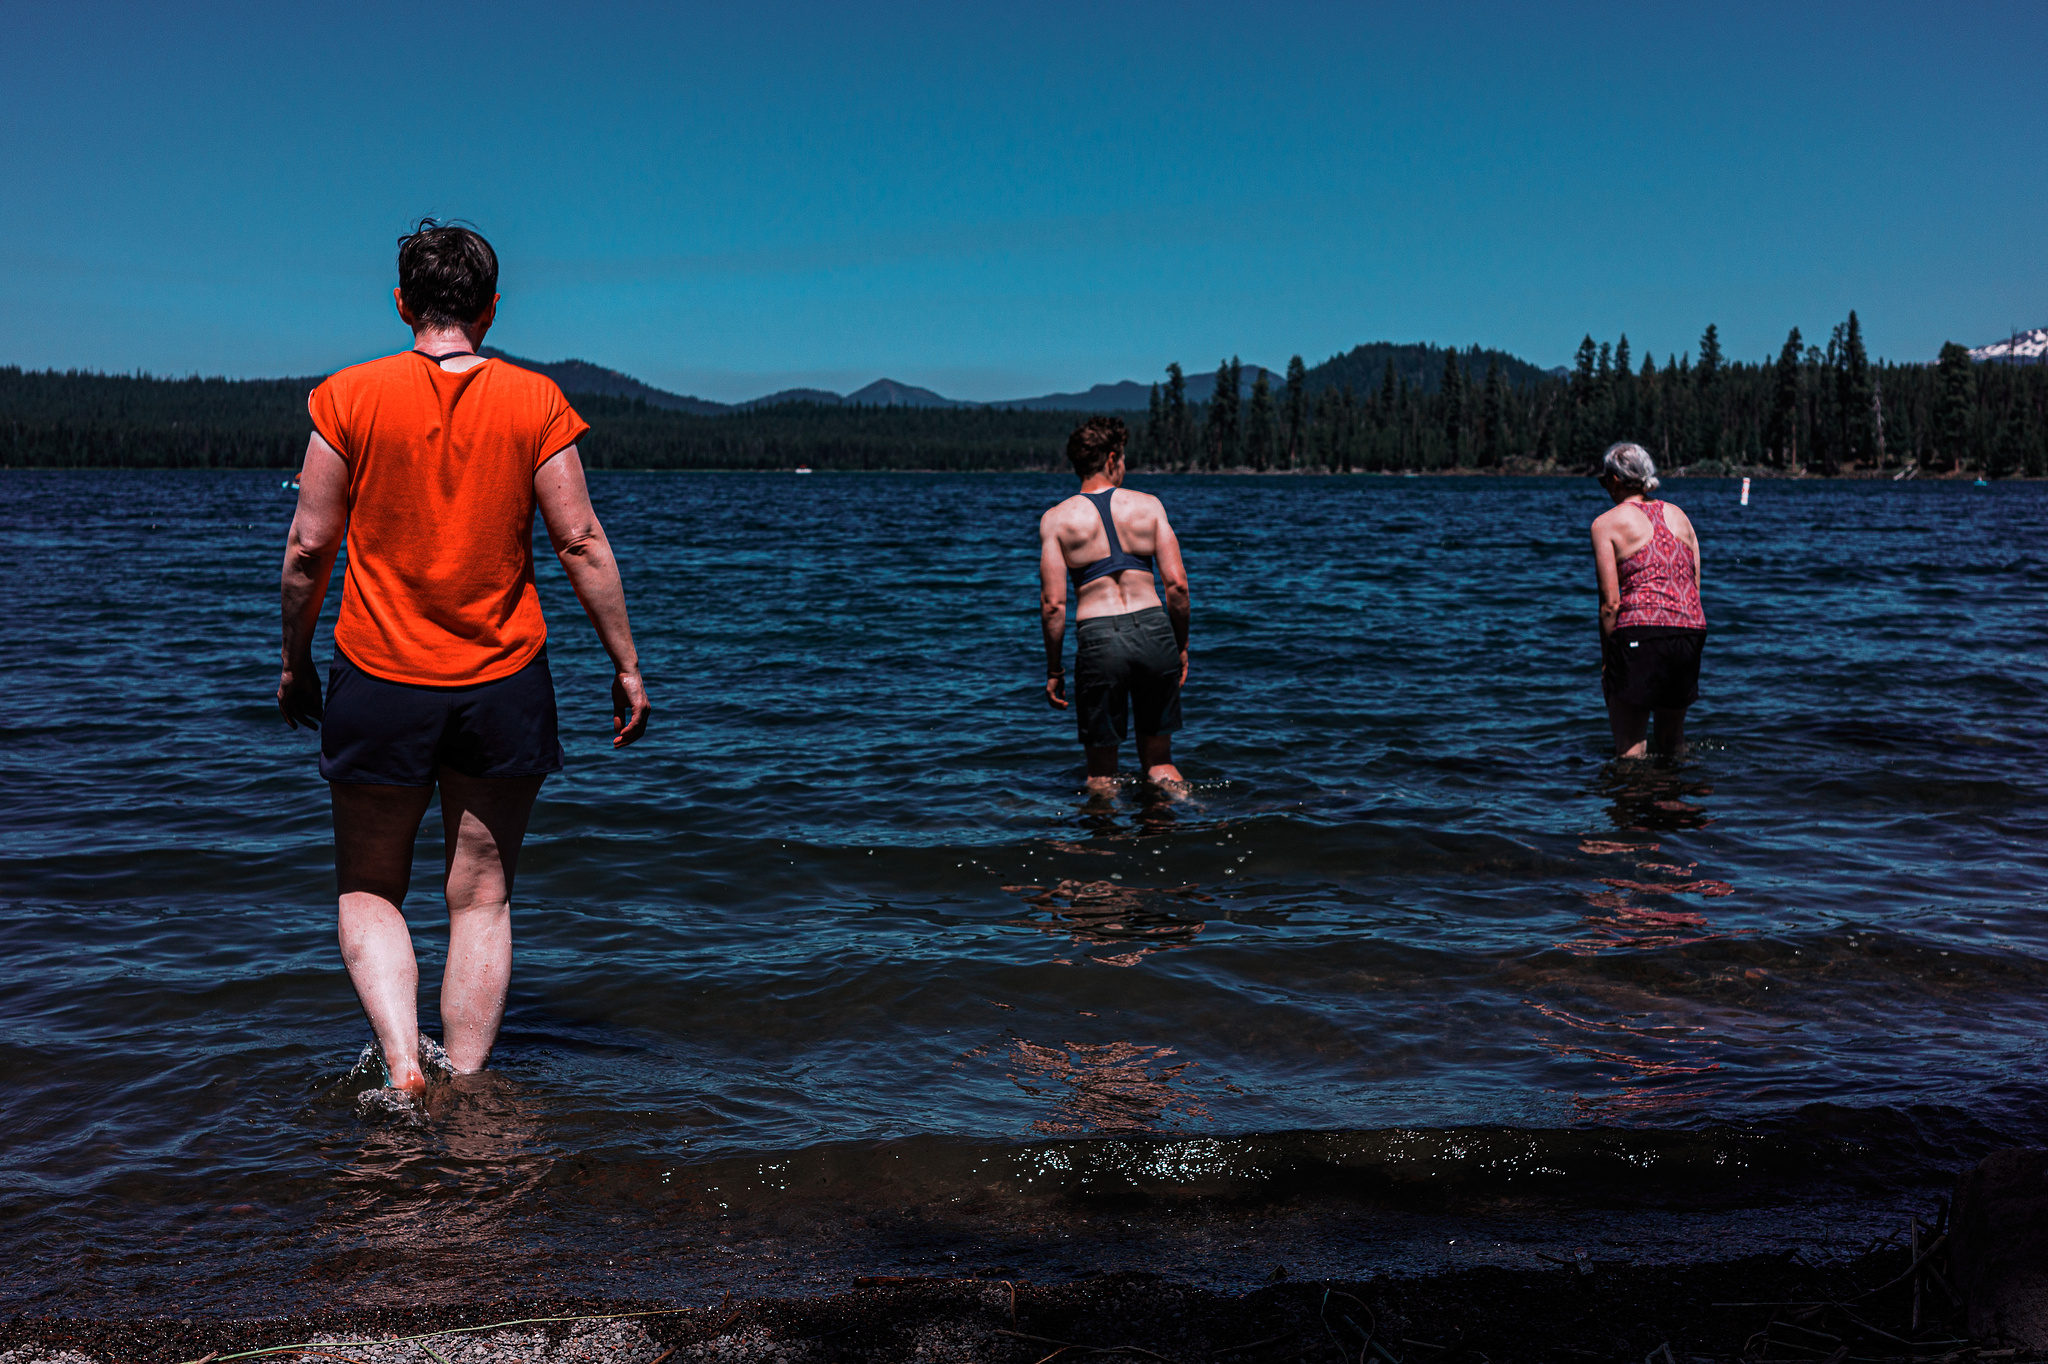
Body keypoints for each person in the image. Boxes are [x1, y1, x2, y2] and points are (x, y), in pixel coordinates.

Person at [276, 220, 652, 1096]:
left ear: (403, 302)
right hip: (503, 681)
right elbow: (582, 540)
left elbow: (307, 546)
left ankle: (404, 1063)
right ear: (490, 307)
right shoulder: (536, 402)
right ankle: (471, 1084)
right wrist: (626, 663)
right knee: (481, 897)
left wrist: (294, 660)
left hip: (376, 676)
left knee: (371, 886)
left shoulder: (347, 396)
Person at [1039, 417, 1191, 793]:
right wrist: (1181, 646)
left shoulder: (1057, 520)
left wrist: (1054, 669)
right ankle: (1178, 832)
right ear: (1111, 459)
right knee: (1160, 763)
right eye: (1122, 459)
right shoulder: (1150, 506)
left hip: (1099, 638)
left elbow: (1053, 605)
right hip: (1155, 633)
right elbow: (1177, 587)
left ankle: (1104, 847)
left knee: (1101, 775)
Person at [1589, 441, 1705, 758]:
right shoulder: (1679, 516)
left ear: (1614, 480)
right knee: (1672, 742)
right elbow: (1693, 585)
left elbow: (1611, 604)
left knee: (1630, 751)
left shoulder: (1605, 524)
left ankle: (1630, 804)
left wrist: (1606, 662)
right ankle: (1678, 800)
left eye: (1604, 481)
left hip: (1640, 632)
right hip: (1688, 631)